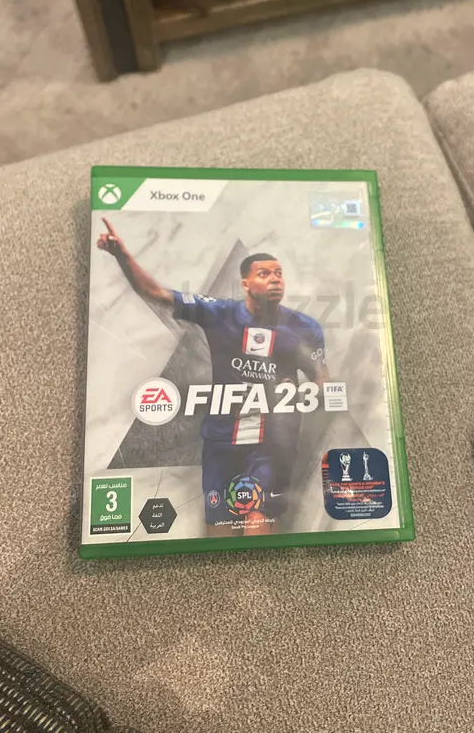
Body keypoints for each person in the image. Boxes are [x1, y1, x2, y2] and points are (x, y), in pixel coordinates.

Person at [97, 218, 327, 534]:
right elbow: (156, 293)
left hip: (273, 443)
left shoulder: (305, 328)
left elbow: (323, 382)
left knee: (258, 518)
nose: (275, 279)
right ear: (246, 284)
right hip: (222, 439)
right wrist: (122, 256)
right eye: (264, 274)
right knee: (219, 528)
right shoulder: (219, 312)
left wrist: (298, 392)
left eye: (278, 273)